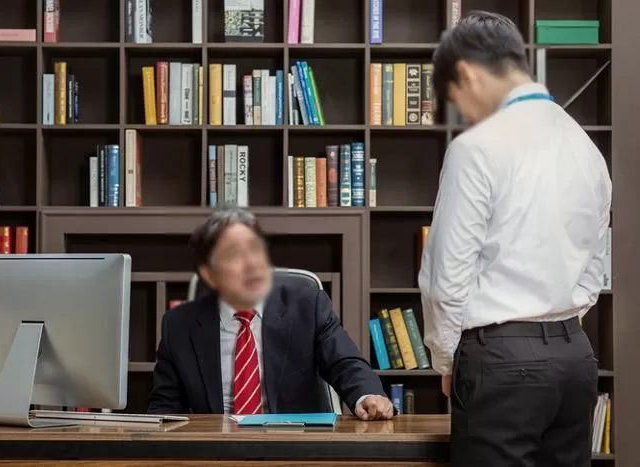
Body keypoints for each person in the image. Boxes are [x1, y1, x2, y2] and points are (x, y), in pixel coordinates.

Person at [418, 10, 611, 467]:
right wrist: (559, 321)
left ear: (467, 72)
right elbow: (595, 266)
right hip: (574, 359)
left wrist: (447, 360)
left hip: (501, 360)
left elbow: (447, 276)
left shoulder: (476, 147)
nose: (463, 111)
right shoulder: (584, 145)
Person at [148, 208, 393, 420]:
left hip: (294, 449)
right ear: (209, 274)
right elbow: (165, 407)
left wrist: (367, 395)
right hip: (217, 451)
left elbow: (345, 363)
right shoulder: (179, 325)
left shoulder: (307, 305)